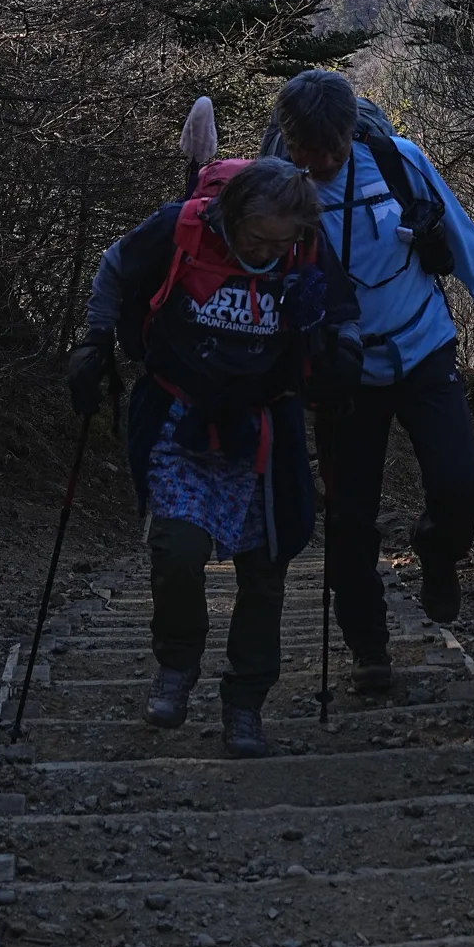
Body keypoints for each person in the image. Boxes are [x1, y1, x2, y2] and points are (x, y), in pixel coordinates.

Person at [67, 156, 362, 756]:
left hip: (264, 425)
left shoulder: (304, 250)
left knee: (265, 571)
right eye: (256, 239)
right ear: (231, 215)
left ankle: (246, 704)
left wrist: (341, 360)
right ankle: (176, 664)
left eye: (280, 242)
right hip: (182, 414)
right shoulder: (184, 227)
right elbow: (115, 270)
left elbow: (343, 314)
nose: (266, 252)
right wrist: (94, 340)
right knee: (176, 549)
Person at [267, 70, 474, 692]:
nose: (324, 160)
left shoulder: (395, 159)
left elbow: (454, 226)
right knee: (350, 515)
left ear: (349, 133)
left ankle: (438, 553)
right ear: (290, 138)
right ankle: (369, 649)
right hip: (342, 373)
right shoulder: (277, 190)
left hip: (422, 344)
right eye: (311, 149)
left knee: (460, 479)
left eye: (334, 147)